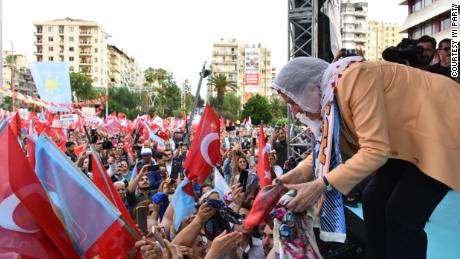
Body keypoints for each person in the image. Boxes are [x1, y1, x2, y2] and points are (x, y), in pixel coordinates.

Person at [273, 57, 459, 259]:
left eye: (292, 102)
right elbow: (326, 147)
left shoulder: (354, 78)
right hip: (409, 140)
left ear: (309, 89)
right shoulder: (330, 96)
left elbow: (375, 151)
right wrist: (297, 174)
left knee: (402, 214)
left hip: (442, 126)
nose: (295, 110)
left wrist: (322, 185)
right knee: (373, 200)